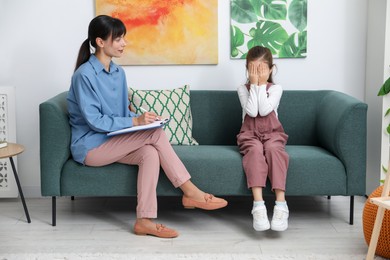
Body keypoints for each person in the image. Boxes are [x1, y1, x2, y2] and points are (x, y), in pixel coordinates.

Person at [67, 15, 227, 239]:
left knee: (150, 153)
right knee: (154, 133)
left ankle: (144, 220)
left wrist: (143, 118)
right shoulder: (83, 75)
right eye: (118, 39)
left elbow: (121, 113)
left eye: (124, 38)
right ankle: (190, 191)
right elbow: (95, 120)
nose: (124, 43)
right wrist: (136, 122)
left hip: (112, 141)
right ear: (100, 42)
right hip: (91, 146)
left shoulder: (118, 73)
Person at [236, 46, 289, 232]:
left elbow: (265, 110)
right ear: (247, 69)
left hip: (273, 133)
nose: (257, 73)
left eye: (262, 69)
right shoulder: (242, 89)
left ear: (271, 69)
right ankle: (258, 206)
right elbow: (252, 111)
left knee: (274, 151)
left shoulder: (276, 89)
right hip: (249, 134)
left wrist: (260, 85)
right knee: (255, 151)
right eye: (253, 69)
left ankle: (281, 205)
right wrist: (255, 85)